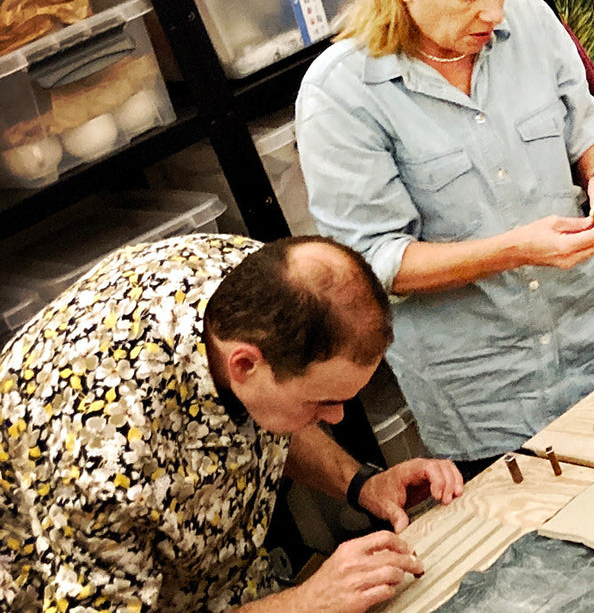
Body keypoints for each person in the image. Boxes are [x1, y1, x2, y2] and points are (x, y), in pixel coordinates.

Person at [296, 0, 594, 477]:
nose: (494, 10)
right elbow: (377, 264)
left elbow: (588, 129)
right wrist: (514, 250)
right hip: (488, 399)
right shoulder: (341, 95)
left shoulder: (529, 20)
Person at [0, 234, 465, 612]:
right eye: (321, 401)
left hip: (226, 580)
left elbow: (263, 413)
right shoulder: (100, 455)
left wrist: (362, 484)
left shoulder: (248, 280)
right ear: (244, 365)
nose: (337, 417)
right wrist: (306, 602)